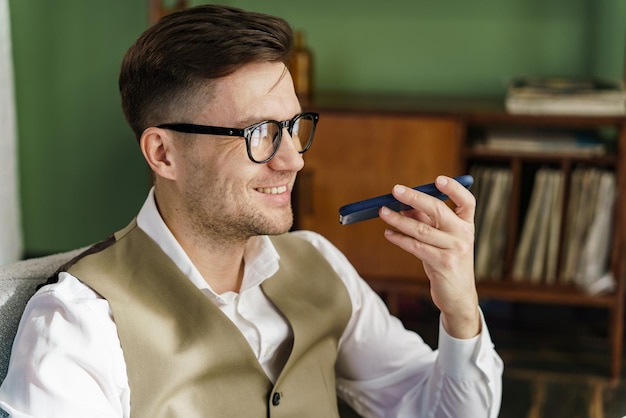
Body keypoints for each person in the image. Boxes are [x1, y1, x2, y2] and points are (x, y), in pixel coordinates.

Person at [0, 4, 503, 417]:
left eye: (293, 126)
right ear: (163, 154)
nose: (294, 159)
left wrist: (459, 308)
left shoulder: (319, 263)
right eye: (257, 134)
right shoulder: (78, 324)